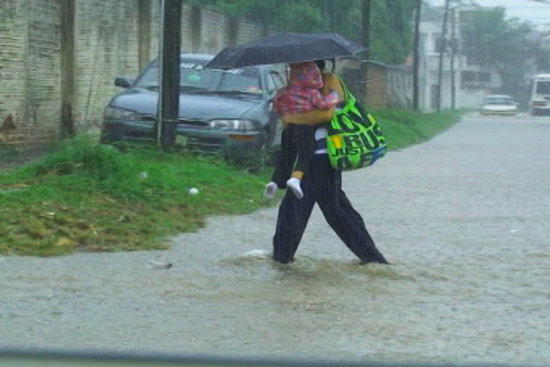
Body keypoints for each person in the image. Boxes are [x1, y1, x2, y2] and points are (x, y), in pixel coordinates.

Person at [264, 59, 388, 265]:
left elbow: (327, 114)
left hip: (321, 157)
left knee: (300, 210)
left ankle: (282, 260)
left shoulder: (330, 81)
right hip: (309, 158)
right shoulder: (295, 88)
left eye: (296, 67)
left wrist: (292, 117)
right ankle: (372, 259)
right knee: (334, 209)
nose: (292, 70)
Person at [271, 61, 341, 199]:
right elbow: (326, 107)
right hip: (308, 133)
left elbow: (275, 107)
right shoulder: (312, 92)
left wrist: (288, 116)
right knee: (305, 153)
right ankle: (295, 178)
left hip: (288, 130)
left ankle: (275, 181)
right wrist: (333, 96)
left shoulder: (285, 91)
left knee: (286, 156)